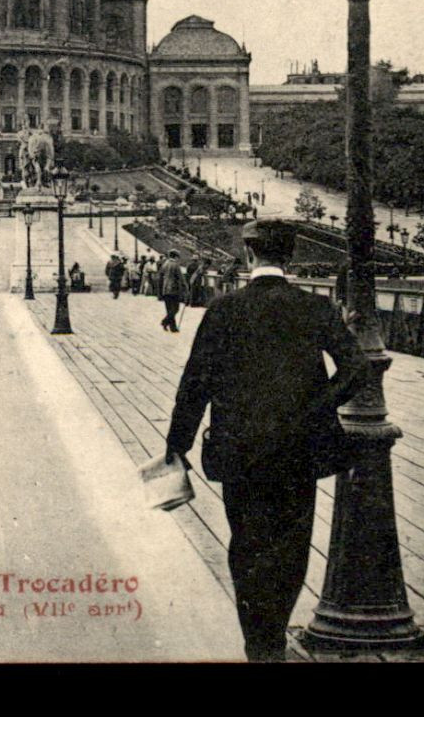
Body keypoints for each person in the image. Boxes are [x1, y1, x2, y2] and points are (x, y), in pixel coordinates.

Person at [164, 219, 370, 662]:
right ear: (289, 258)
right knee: (292, 545)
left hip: (239, 450)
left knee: (247, 545)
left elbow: (195, 382)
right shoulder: (313, 308)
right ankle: (275, 633)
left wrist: (176, 444)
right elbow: (357, 368)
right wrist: (318, 405)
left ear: (249, 255)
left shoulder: (224, 309)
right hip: (299, 449)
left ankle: (259, 644)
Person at [159, 249, 186, 333]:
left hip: (165, 289)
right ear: (175, 256)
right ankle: (165, 321)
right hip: (173, 290)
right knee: (176, 309)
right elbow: (181, 278)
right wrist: (185, 286)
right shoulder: (175, 265)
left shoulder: (165, 264)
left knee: (169, 309)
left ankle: (173, 327)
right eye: (178, 257)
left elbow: (160, 276)